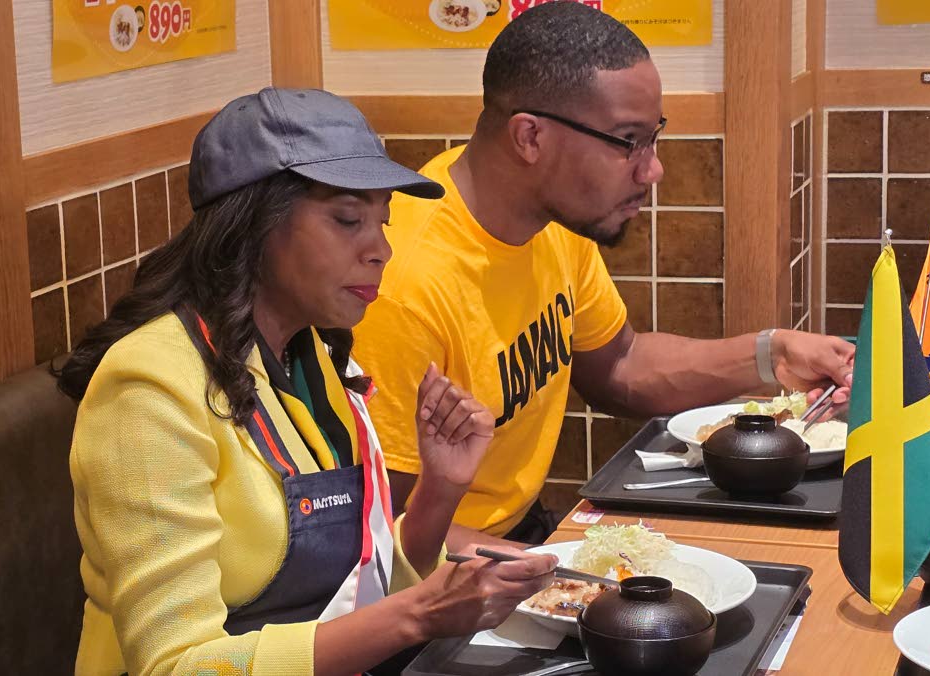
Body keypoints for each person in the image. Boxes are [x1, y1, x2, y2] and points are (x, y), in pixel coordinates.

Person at [54, 87, 556, 676]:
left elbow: (358, 596)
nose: (383, 250)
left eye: (382, 222)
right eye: (348, 220)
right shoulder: (146, 391)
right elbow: (175, 665)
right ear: (254, 224)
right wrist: (418, 615)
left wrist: (439, 493)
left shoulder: (312, 355)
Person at [351, 2, 856, 548]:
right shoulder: (400, 284)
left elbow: (619, 362)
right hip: (437, 574)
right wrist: (565, 573)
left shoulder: (552, 217)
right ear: (529, 138)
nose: (653, 169)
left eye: (654, 137)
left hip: (523, 534)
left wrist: (774, 355)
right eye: (627, 142)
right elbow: (384, 527)